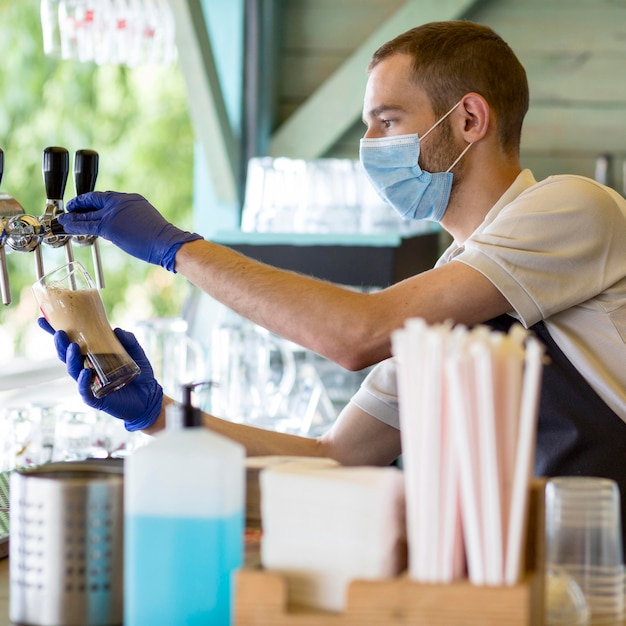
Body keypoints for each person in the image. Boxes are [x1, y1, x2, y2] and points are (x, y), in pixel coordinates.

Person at [42, 21, 626, 517]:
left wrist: (177, 248)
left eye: (389, 120)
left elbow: (357, 334)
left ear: (470, 119)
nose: (369, 144)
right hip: (520, 583)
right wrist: (158, 416)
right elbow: (334, 460)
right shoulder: (453, 287)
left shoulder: (573, 208)